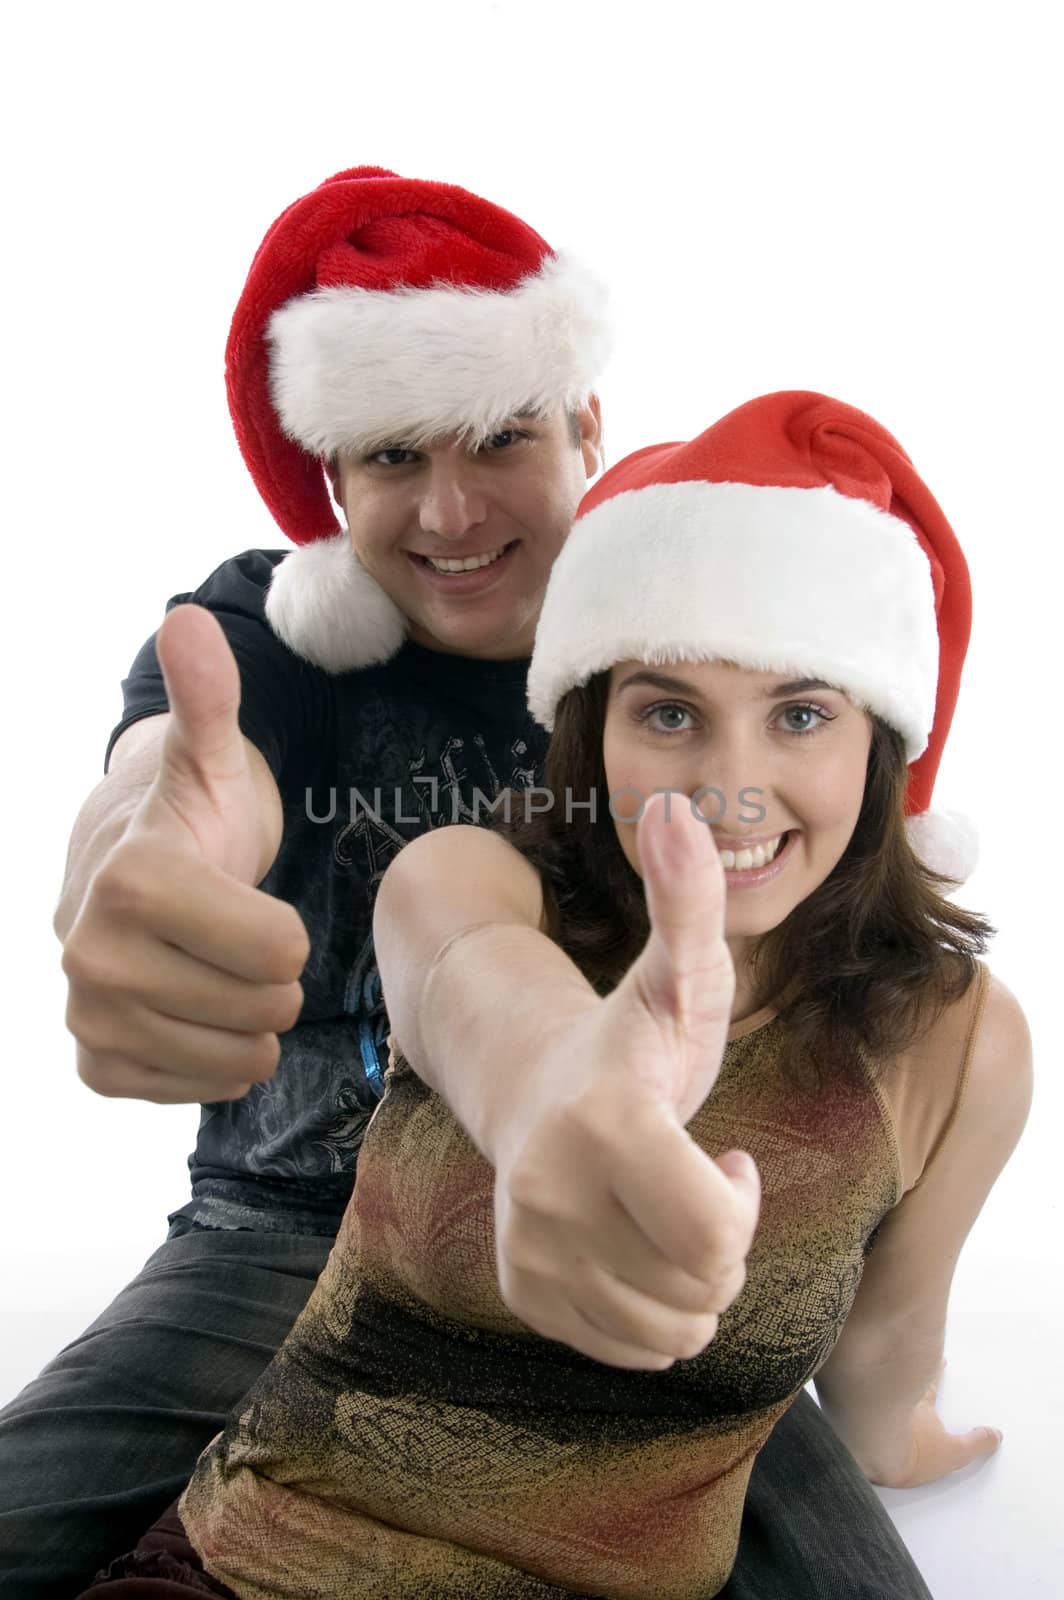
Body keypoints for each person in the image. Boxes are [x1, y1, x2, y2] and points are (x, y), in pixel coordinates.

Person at [0, 154, 935, 1599]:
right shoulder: (267, 633)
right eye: (389, 455)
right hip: (285, 1229)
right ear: (329, 480)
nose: (447, 511)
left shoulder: (672, 649)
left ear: (586, 430)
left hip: (610, 1237)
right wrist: (141, 853)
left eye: (496, 436)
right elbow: (188, 780)